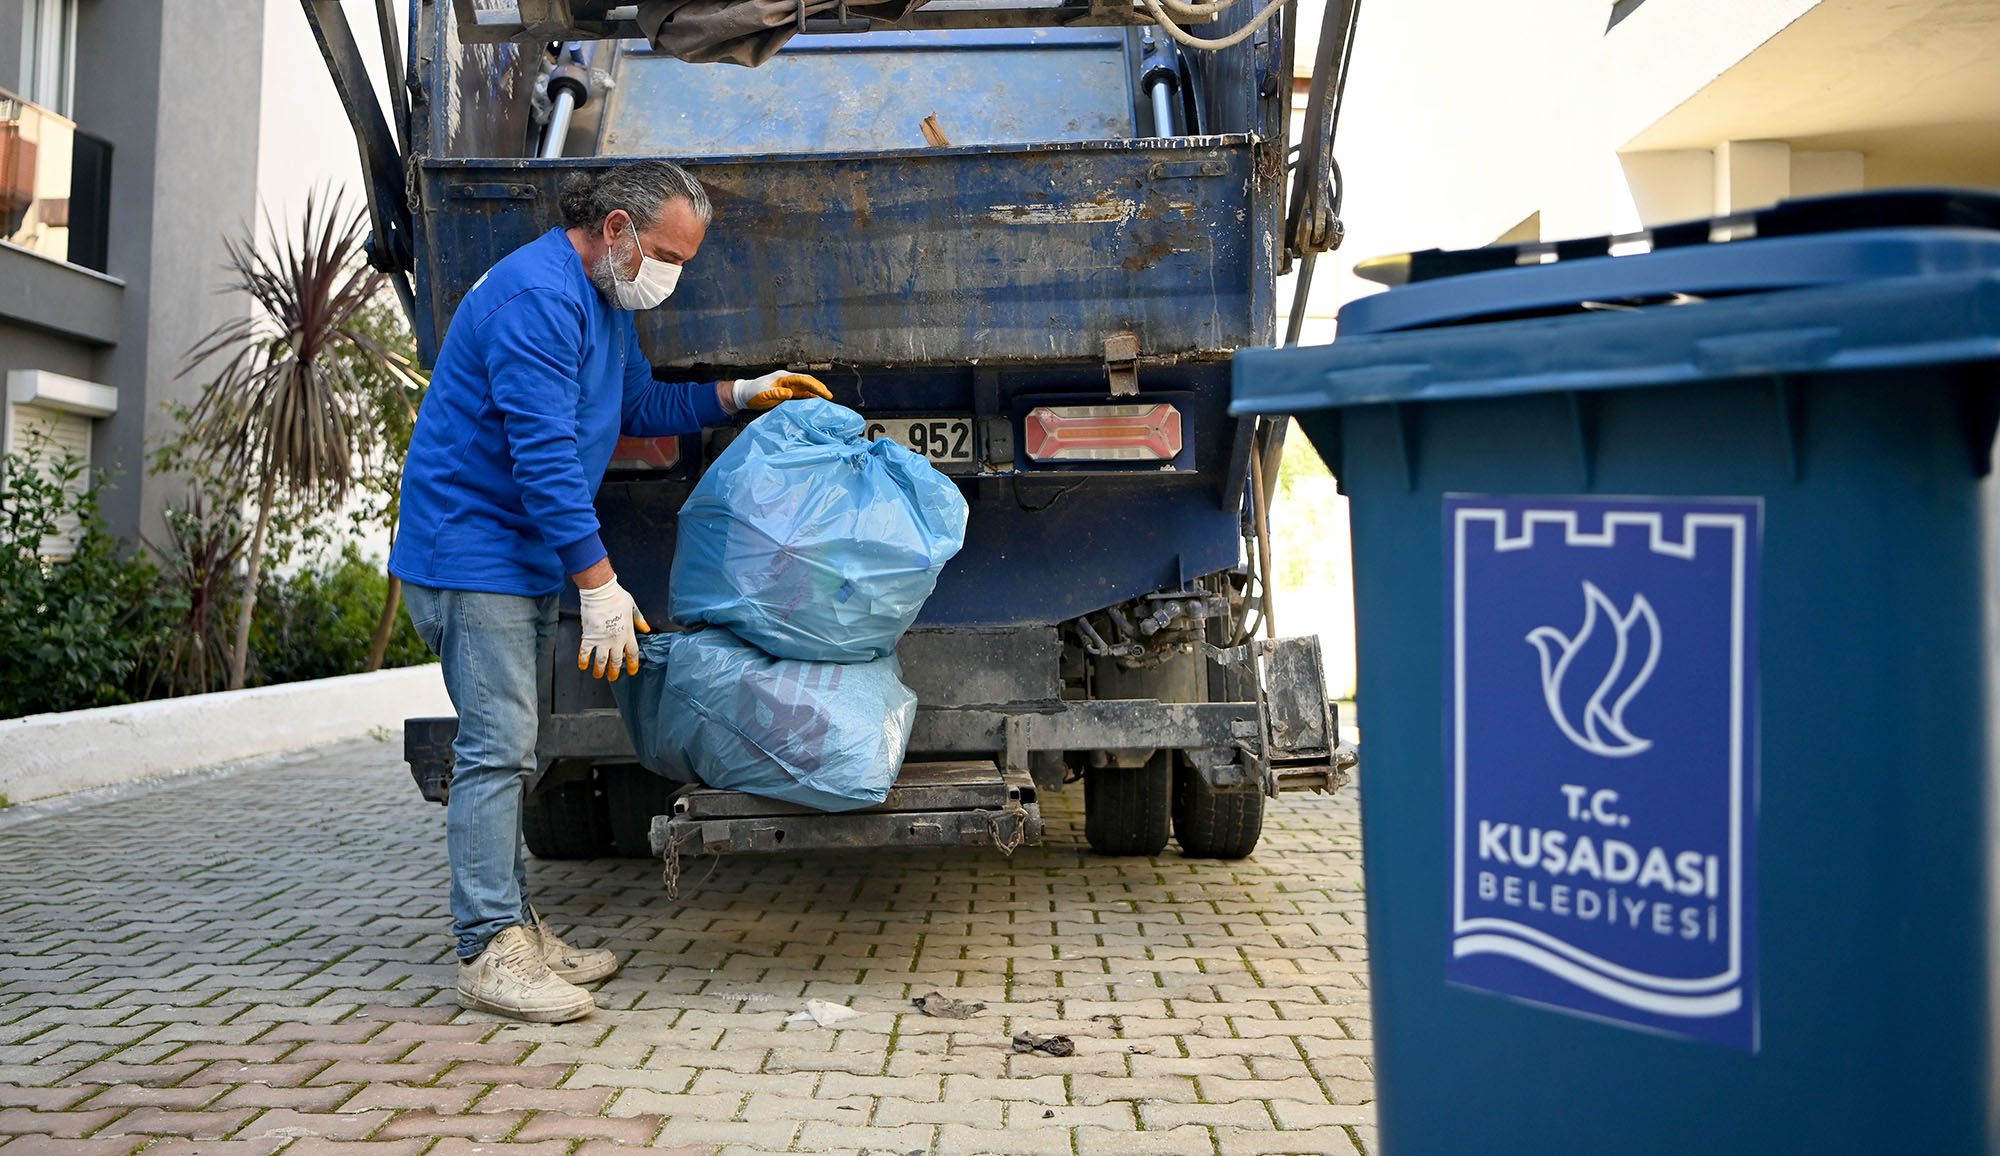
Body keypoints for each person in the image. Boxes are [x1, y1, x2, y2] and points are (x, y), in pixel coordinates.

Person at [391, 159, 830, 1022]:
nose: (672, 275)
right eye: (667, 254)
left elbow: (637, 405)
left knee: (513, 743)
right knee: (497, 749)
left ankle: (515, 925)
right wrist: (598, 583)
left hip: (512, 558)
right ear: (618, 228)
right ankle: (487, 949)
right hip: (467, 556)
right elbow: (544, 460)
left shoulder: (599, 301)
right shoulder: (537, 300)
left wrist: (741, 393)